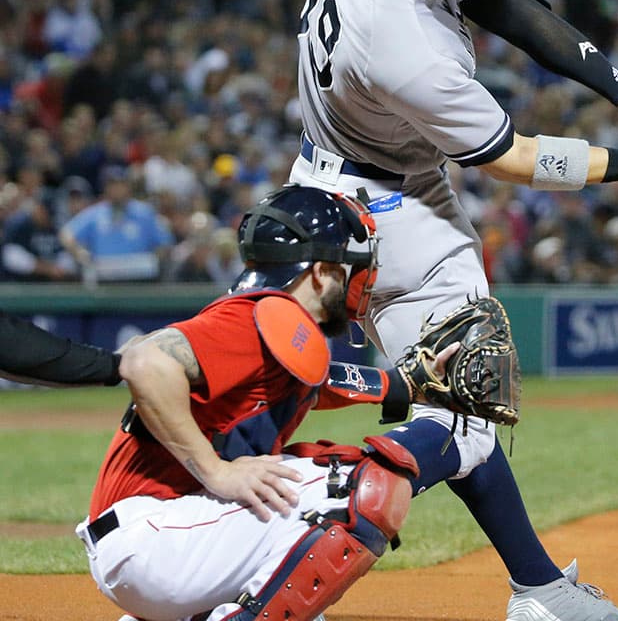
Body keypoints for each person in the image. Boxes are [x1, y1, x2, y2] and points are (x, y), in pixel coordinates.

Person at [289, 0, 618, 621]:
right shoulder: (407, 54)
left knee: (460, 411)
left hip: (328, 183)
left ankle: (540, 588)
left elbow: (499, 0)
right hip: (396, 213)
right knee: (463, 419)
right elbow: (515, 161)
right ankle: (315, 518)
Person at [76, 185, 456, 621]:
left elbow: (314, 384)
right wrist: (217, 471)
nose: (356, 281)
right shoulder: (250, 317)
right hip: (151, 539)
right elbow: (144, 362)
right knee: (359, 485)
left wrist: (403, 384)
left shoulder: (276, 327)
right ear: (320, 273)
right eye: (346, 269)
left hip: (167, 538)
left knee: (299, 580)